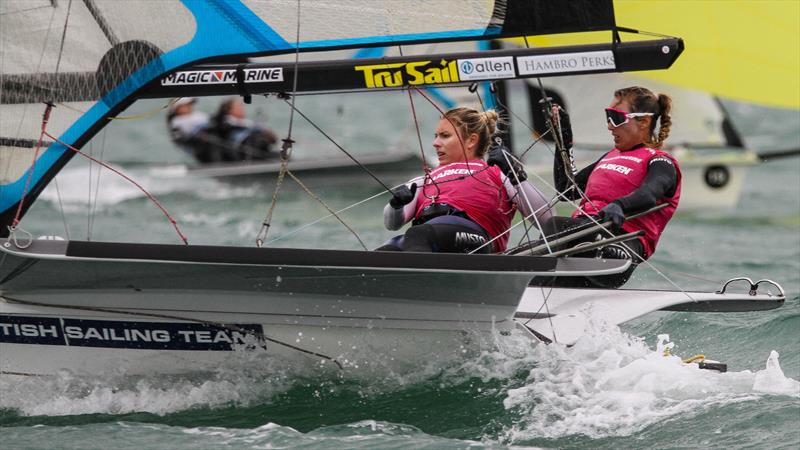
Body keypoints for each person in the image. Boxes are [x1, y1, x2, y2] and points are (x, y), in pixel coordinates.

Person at [540, 86, 681, 288]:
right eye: (608, 116)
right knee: (555, 234)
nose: (609, 126)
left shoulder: (661, 162)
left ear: (644, 121)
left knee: (556, 226)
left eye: (616, 117)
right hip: (580, 237)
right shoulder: (609, 156)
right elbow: (566, 190)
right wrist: (564, 139)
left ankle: (526, 290)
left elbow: (649, 194)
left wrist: (619, 206)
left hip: (621, 248)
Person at [377, 107, 553, 254]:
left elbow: (547, 220)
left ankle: (423, 282)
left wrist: (515, 175)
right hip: (425, 239)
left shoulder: (497, 172)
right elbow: (392, 223)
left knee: (419, 234)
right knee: (385, 253)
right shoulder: (424, 180)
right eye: (436, 136)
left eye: (445, 136)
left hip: (478, 240)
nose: (436, 143)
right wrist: (396, 205)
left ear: (471, 140)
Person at [204, 97, 279, 162]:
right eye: (239, 106)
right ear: (229, 109)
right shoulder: (225, 123)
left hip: (257, 150)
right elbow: (219, 129)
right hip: (241, 152)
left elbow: (273, 139)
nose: (242, 108)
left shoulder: (247, 123)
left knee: (278, 154)